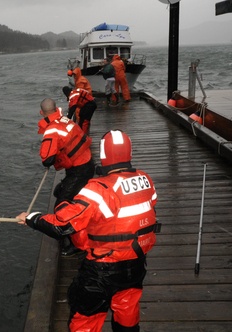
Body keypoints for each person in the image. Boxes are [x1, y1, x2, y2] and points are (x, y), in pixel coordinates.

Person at [17, 129, 160, 332]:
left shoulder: (98, 189)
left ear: (103, 155)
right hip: (135, 264)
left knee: (85, 318)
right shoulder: (146, 181)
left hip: (102, 270)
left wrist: (33, 219)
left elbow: (62, 225)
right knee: (127, 311)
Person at [36, 98, 95, 256]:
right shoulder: (65, 119)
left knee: (61, 207)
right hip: (88, 163)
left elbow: (47, 160)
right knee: (60, 192)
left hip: (79, 170)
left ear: (42, 113)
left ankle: (78, 245)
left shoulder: (51, 130)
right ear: (56, 109)